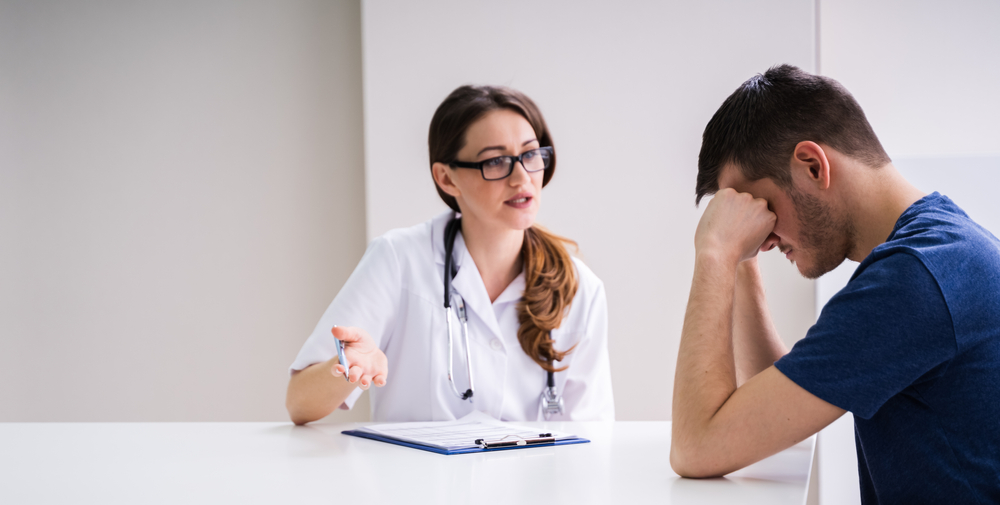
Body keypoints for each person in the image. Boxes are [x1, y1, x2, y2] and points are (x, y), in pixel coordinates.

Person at [670, 65, 1000, 503]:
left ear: (812, 166)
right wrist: (740, 259)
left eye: (761, 205)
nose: (762, 235)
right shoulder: (941, 249)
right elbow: (772, 411)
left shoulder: (913, 280)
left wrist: (714, 252)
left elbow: (697, 447)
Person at [285, 85, 614, 425]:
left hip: (533, 478)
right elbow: (299, 403)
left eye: (530, 155)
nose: (521, 178)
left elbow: (594, 435)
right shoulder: (399, 260)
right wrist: (349, 367)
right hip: (413, 478)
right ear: (446, 178)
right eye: (496, 161)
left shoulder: (581, 288)